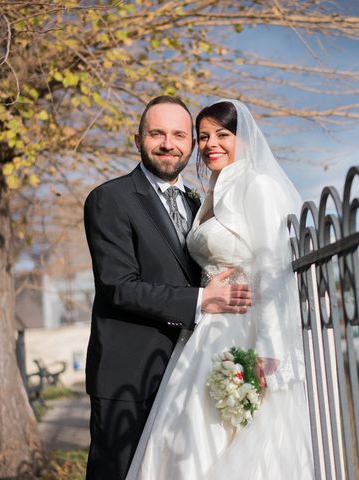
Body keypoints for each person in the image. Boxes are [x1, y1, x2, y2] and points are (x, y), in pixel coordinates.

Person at [125, 99, 313, 479]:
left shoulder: (257, 185)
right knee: (187, 441)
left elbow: (272, 269)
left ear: (243, 139)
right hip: (206, 330)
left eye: (223, 135)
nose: (212, 143)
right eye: (204, 136)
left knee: (221, 440)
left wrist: (269, 350)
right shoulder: (210, 192)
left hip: (242, 329)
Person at [83, 95, 252, 480]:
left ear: (191, 144)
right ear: (138, 139)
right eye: (156, 133)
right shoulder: (110, 199)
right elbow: (119, 286)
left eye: (179, 134)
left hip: (189, 370)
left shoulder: (199, 204)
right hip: (129, 371)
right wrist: (202, 300)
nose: (167, 143)